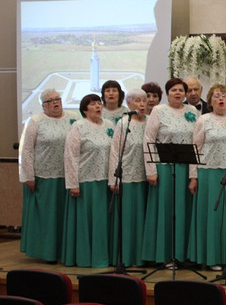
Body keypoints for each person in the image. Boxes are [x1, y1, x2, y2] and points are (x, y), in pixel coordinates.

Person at [142, 78, 199, 264]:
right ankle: (164, 254)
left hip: (185, 168)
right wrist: (151, 170)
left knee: (185, 212)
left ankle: (183, 255)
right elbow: (149, 138)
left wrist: (193, 174)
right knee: (166, 211)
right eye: (174, 90)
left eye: (181, 90)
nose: (178, 93)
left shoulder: (192, 111)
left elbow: (196, 142)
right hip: (164, 168)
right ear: (167, 94)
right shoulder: (159, 111)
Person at [19, 89, 79, 262]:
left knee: (65, 216)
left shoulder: (73, 117)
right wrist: (28, 176)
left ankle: (65, 250)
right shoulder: (36, 121)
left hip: (68, 175)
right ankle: (48, 252)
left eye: (57, 99)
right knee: (48, 217)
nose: (55, 102)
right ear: (44, 105)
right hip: (45, 176)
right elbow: (27, 150)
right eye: (50, 100)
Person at [188, 84, 226, 268]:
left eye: (225, 95)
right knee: (212, 216)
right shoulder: (203, 120)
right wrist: (193, 176)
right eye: (216, 96)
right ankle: (211, 258)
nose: (221, 99)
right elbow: (195, 149)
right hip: (209, 173)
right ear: (210, 100)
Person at [61, 93, 115, 267]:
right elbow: (70, 156)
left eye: (99, 103)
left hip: (105, 181)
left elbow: (114, 153)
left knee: (102, 222)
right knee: (87, 223)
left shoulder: (109, 125)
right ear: (84, 109)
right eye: (93, 104)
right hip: (86, 182)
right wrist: (73, 184)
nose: (98, 106)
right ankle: (85, 258)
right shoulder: (78, 127)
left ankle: (103, 257)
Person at [107, 89, 148, 267]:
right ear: (129, 104)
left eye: (143, 101)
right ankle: (126, 257)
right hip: (128, 176)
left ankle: (142, 257)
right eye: (137, 101)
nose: (141, 104)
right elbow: (115, 152)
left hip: (147, 177)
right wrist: (113, 179)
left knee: (143, 219)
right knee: (129, 218)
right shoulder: (124, 124)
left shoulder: (150, 122)